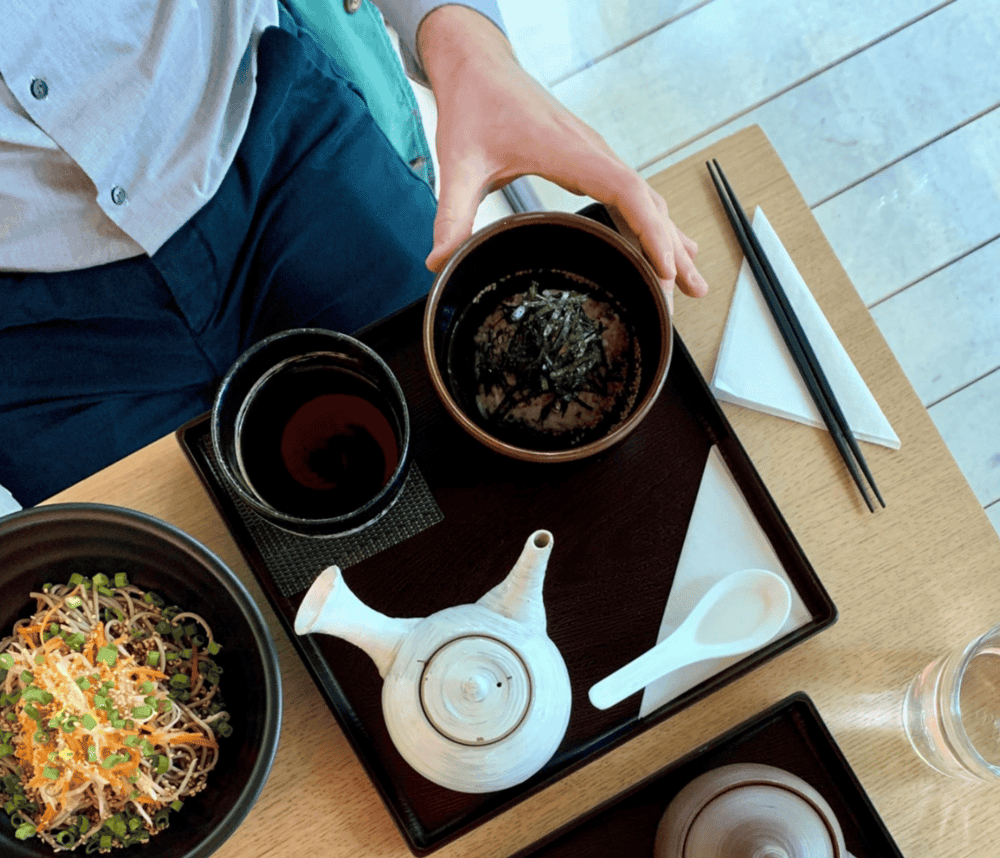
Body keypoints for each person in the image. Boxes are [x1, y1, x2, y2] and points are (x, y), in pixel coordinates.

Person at [0, 0, 707, 512]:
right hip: (33, 337)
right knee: (186, 639)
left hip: (269, 131)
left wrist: (466, 45)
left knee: (526, 482)